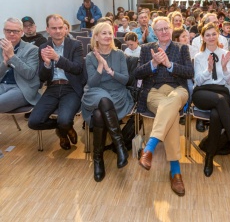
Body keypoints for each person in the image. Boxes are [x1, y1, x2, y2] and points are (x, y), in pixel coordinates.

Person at [135, 16, 194, 197]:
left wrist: (169, 65)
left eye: (166, 28)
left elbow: (190, 72)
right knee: (172, 114)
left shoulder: (182, 48)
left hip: (178, 91)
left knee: (172, 104)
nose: (164, 32)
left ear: (171, 28)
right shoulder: (146, 49)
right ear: (154, 32)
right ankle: (175, 172)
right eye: (159, 29)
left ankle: (150, 148)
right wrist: (153, 63)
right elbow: (137, 73)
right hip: (154, 92)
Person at [192, 23, 230, 177]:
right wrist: (208, 69)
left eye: (213, 34)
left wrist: (224, 67)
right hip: (202, 92)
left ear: (218, 35)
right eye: (207, 35)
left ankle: (209, 156)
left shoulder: (225, 53)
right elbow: (198, 80)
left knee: (216, 115)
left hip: (221, 91)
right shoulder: (199, 56)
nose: (211, 37)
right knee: (220, 101)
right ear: (203, 38)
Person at [81, 22, 134, 182]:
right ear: (96, 37)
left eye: (110, 33)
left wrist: (110, 71)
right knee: (103, 100)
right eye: (103, 33)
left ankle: (98, 159)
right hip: (95, 92)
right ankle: (120, 146)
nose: (108, 36)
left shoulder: (119, 54)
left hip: (117, 93)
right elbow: (92, 83)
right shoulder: (90, 57)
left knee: (98, 114)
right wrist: (100, 65)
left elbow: (125, 80)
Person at [28, 14, 86, 150]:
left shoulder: (75, 45)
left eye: (61, 27)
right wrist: (47, 64)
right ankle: (64, 128)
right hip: (52, 88)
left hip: (71, 88)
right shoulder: (43, 47)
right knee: (33, 122)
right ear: (47, 29)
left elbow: (77, 69)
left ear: (65, 29)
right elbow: (42, 77)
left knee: (64, 119)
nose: (58, 31)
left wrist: (57, 58)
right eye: (54, 28)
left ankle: (63, 131)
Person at [0, 18, 41, 112]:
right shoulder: (0, 48)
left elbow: (29, 74)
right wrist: (5, 63)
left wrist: (12, 56)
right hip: (2, 85)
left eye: (15, 31)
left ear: (22, 32)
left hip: (21, 88)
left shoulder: (32, 49)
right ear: (4, 31)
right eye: (8, 30)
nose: (11, 34)